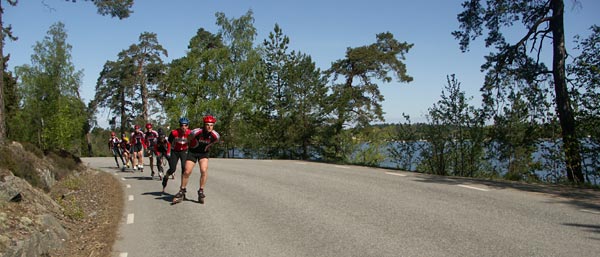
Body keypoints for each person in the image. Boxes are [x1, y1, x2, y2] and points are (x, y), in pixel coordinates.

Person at [173, 115, 220, 204]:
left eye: (211, 125)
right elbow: (189, 139)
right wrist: (192, 146)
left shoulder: (215, 135)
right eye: (207, 125)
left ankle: (201, 190)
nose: (209, 127)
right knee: (187, 171)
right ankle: (182, 190)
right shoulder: (196, 132)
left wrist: (208, 146)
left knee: (203, 170)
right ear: (204, 125)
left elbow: (216, 141)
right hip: (193, 152)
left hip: (203, 153)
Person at [162, 117, 191, 193]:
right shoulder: (174, 133)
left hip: (184, 151)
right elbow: (169, 142)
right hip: (175, 151)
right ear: (179, 125)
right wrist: (168, 151)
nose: (183, 127)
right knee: (172, 169)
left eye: (185, 125)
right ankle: (166, 176)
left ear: (188, 126)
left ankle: (182, 187)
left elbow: (192, 143)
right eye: (182, 125)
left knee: (184, 168)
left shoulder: (190, 133)